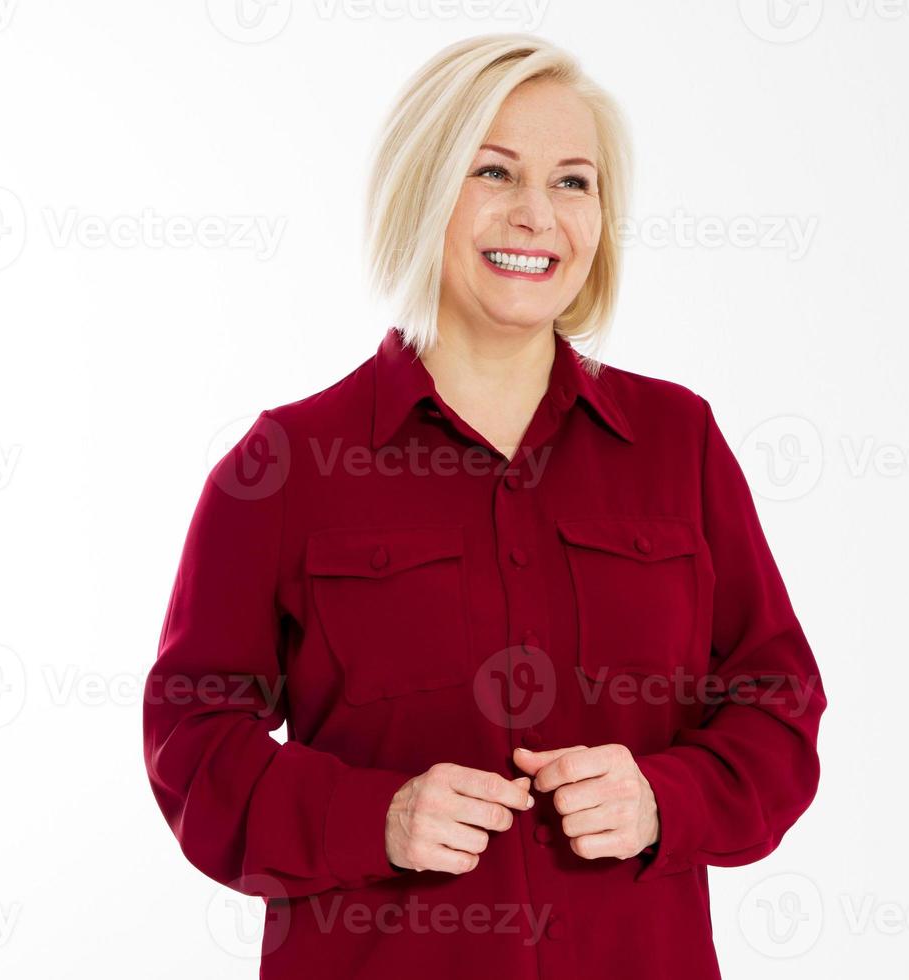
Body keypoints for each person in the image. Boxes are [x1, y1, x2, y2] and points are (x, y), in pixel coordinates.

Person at [142, 32, 825, 979]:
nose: (535, 215)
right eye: (493, 172)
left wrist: (665, 797)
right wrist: (372, 818)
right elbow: (192, 743)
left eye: (573, 182)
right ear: (427, 191)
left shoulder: (680, 444)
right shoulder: (286, 465)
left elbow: (778, 706)